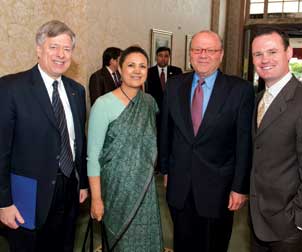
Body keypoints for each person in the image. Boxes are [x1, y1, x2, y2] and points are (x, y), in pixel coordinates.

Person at [160, 30, 254, 252]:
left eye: (210, 50)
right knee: (182, 244)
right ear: (190, 54)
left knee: (214, 246)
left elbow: (243, 143)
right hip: (180, 187)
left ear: (220, 54)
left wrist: (239, 187)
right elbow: (166, 131)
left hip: (218, 190)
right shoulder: (174, 86)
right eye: (197, 49)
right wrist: (165, 170)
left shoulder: (240, 90)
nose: (203, 55)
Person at [0, 20, 88, 252]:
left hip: (69, 190)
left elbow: (79, 142)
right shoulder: (11, 88)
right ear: (39, 50)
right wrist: (4, 202)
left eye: (67, 49)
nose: (61, 54)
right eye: (53, 47)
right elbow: (1, 151)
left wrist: (83, 184)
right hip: (27, 197)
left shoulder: (77, 91)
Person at [87, 46, 163, 251]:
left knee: (146, 241)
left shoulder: (149, 103)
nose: (137, 71)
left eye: (142, 66)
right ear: (119, 68)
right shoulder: (103, 105)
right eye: (131, 65)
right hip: (115, 189)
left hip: (145, 188)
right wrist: (96, 199)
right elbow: (93, 156)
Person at [250, 27, 302, 252]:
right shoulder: (258, 99)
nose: (264, 60)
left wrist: (298, 218)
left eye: (272, 52)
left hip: (288, 226)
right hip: (257, 219)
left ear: (289, 53)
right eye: (258, 54)